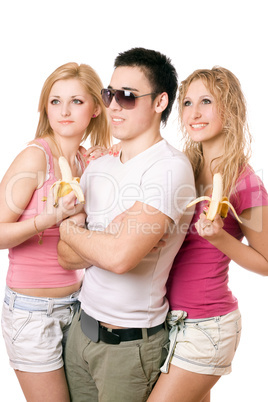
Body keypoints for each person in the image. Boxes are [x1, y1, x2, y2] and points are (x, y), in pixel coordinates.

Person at [57, 47, 196, 402]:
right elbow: (65, 257)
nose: (113, 106)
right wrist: (105, 239)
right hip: (80, 333)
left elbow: (121, 258)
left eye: (128, 96)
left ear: (161, 102)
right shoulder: (99, 165)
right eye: (109, 94)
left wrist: (73, 230)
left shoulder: (169, 168)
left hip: (128, 349)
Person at [147, 67, 268, 402]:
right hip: (167, 319)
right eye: (186, 103)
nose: (194, 113)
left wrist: (221, 239)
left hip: (207, 326)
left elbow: (267, 262)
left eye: (206, 102)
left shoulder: (244, 182)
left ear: (228, 110)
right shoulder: (181, 166)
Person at [0, 62, 111, 402]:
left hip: (79, 306)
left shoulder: (85, 161)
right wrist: (47, 218)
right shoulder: (36, 158)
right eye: (55, 101)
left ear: (95, 108)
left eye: (76, 101)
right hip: (33, 313)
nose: (64, 111)